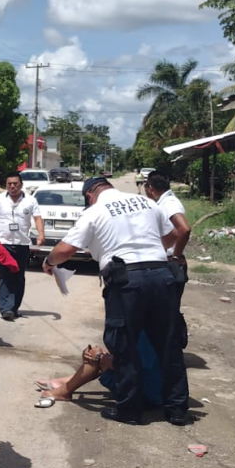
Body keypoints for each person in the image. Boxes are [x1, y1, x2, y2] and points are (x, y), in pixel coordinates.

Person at [40, 176, 189, 425]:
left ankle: (129, 410)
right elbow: (174, 235)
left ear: (89, 195)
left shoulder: (95, 211)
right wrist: (149, 249)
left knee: (124, 344)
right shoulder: (147, 203)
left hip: (128, 282)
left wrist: (49, 262)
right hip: (162, 275)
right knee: (168, 343)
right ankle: (177, 410)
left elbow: (65, 250)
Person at [0, 172, 44, 321]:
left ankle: (14, 307)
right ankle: (6, 308)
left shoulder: (30, 200)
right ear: (6, 185)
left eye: (15, 184)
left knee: (19, 276)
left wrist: (41, 234)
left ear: (21, 185)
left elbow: (37, 218)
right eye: (9, 184)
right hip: (3, 244)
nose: (12, 186)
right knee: (5, 276)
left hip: (22, 244)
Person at [144, 170, 192, 347]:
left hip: (170, 263)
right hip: (166, 262)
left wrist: (175, 255)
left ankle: (170, 350)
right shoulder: (164, 201)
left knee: (166, 312)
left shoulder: (169, 204)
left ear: (150, 188)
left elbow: (184, 229)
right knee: (161, 311)